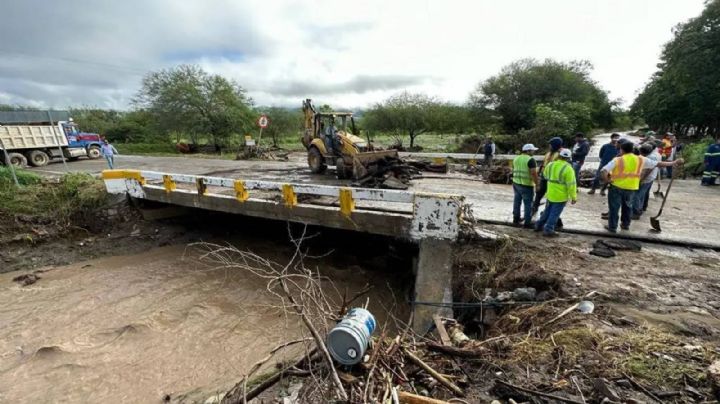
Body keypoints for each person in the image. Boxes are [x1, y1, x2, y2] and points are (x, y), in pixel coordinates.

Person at [600, 141, 681, 233]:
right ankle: (625, 225)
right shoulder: (641, 159)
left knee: (614, 208)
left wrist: (607, 180)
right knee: (628, 207)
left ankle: (612, 227)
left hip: (616, 187)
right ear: (632, 150)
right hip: (631, 188)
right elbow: (658, 164)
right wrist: (674, 162)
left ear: (621, 150)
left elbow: (604, 171)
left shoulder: (618, 159)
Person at [534, 148, 576, 237]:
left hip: (550, 193)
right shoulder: (568, 169)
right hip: (561, 196)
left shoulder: (550, 165)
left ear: (559, 156)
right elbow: (571, 184)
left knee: (547, 211)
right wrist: (573, 197)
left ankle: (538, 225)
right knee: (555, 213)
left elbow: (544, 175)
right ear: (568, 158)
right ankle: (548, 229)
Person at [532, 136, 564, 217]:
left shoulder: (560, 154)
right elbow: (543, 164)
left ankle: (546, 212)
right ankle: (534, 207)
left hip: (552, 178)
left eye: (551, 144)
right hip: (544, 176)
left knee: (550, 195)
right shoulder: (549, 153)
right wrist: (539, 173)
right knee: (539, 193)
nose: (549, 146)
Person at [512, 143, 540, 228]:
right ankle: (527, 222)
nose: (533, 152)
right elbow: (533, 173)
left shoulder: (516, 158)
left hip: (516, 183)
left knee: (517, 202)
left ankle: (516, 219)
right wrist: (537, 184)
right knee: (528, 204)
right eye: (532, 150)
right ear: (528, 151)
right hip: (526, 185)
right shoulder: (531, 160)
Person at [632, 143, 661, 219]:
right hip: (650, 178)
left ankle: (636, 212)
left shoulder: (650, 157)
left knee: (636, 196)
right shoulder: (655, 154)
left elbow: (648, 170)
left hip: (646, 179)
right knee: (642, 195)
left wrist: (641, 179)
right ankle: (640, 209)